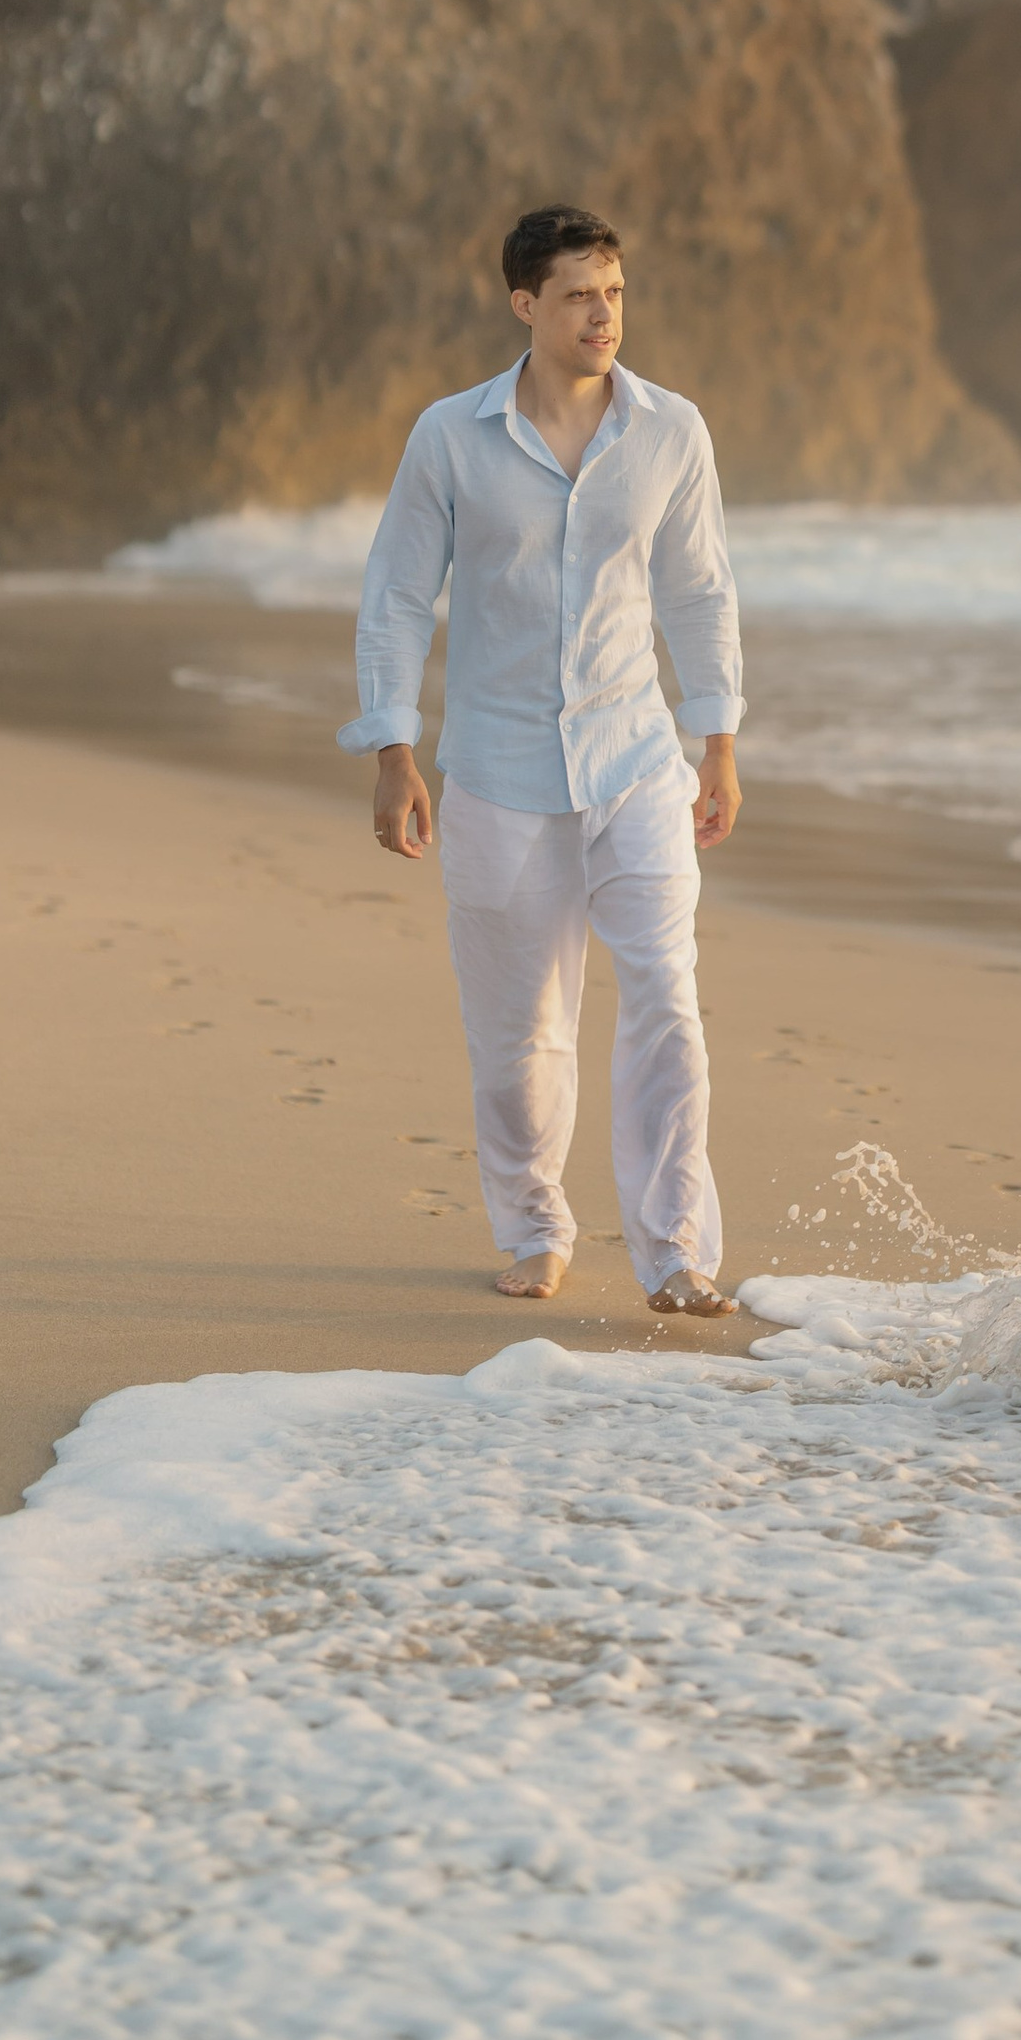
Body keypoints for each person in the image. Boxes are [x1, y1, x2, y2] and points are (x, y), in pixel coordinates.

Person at [339, 206, 744, 1317]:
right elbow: (397, 593)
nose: (601, 314)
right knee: (521, 1038)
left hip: (635, 761)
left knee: (667, 996)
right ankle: (534, 1227)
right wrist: (391, 748)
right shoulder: (450, 437)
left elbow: (700, 589)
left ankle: (673, 1249)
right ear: (525, 305)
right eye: (576, 295)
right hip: (496, 773)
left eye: (613, 291)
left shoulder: (671, 430)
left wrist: (717, 742)